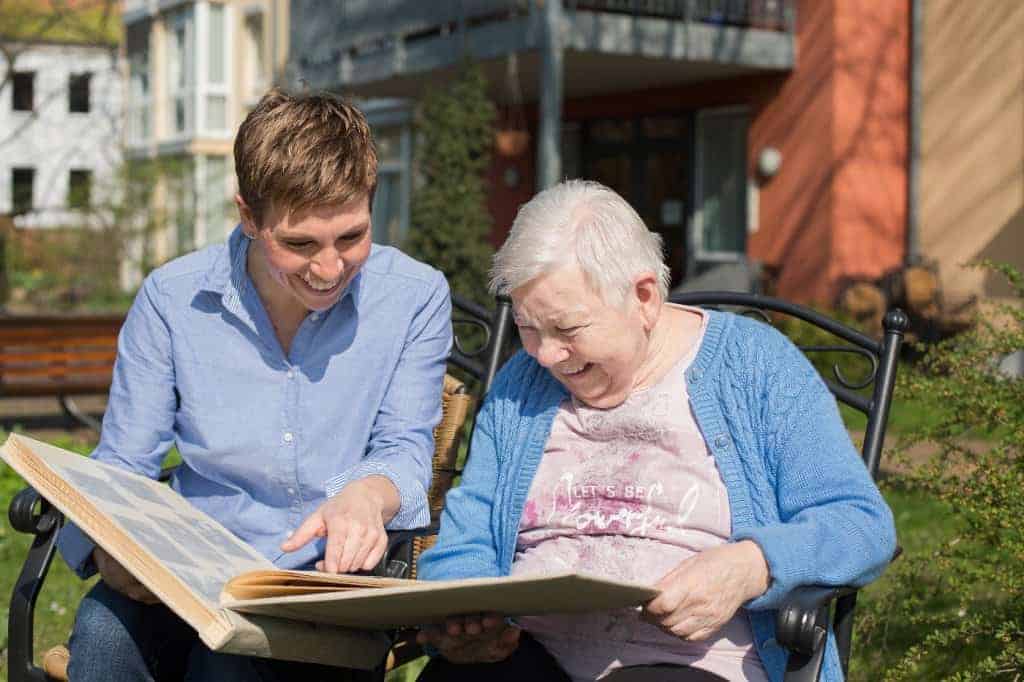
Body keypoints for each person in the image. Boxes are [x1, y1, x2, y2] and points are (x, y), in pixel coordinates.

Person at [415, 180, 896, 682]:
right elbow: (465, 539)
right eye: (528, 328)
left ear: (643, 297)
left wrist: (752, 565)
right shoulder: (523, 383)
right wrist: (467, 621)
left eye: (568, 330)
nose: (544, 354)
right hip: (532, 657)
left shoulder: (755, 366)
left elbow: (861, 525)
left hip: (690, 664)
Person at [57, 89, 453, 682]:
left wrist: (367, 497)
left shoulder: (415, 297)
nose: (329, 269)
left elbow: (404, 445)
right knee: (102, 635)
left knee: (233, 665)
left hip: (320, 583)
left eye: (351, 237)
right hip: (187, 571)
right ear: (248, 216)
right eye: (298, 244)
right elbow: (124, 462)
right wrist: (108, 550)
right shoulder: (172, 299)